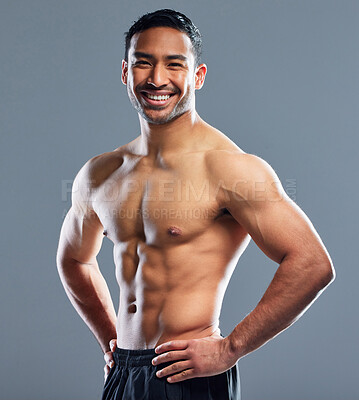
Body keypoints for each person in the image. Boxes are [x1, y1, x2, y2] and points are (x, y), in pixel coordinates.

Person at [56, 9, 335, 400]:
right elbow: (74, 261)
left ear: (197, 76)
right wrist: (110, 339)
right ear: (125, 72)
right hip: (123, 374)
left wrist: (231, 348)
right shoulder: (101, 174)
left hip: (189, 376)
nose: (157, 79)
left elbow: (312, 264)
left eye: (174, 65)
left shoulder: (227, 168)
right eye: (143, 63)